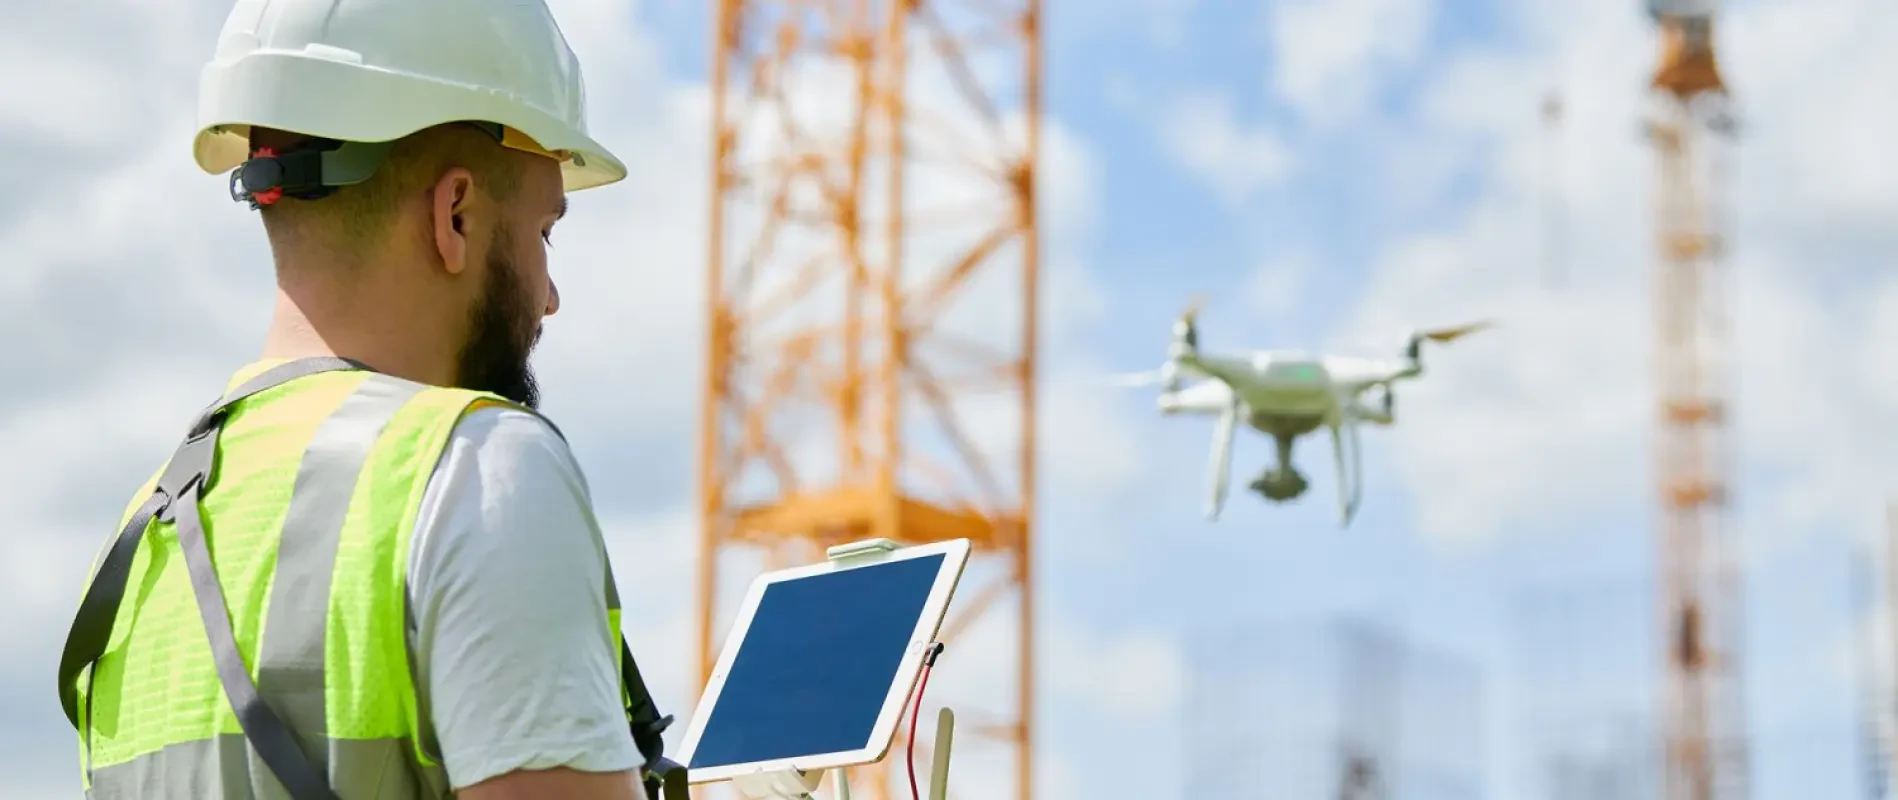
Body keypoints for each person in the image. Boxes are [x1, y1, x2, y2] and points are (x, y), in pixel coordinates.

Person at [54, 0, 673, 797]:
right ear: (454, 215)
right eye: (545, 231)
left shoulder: (145, 537)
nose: (549, 296)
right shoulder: (479, 474)